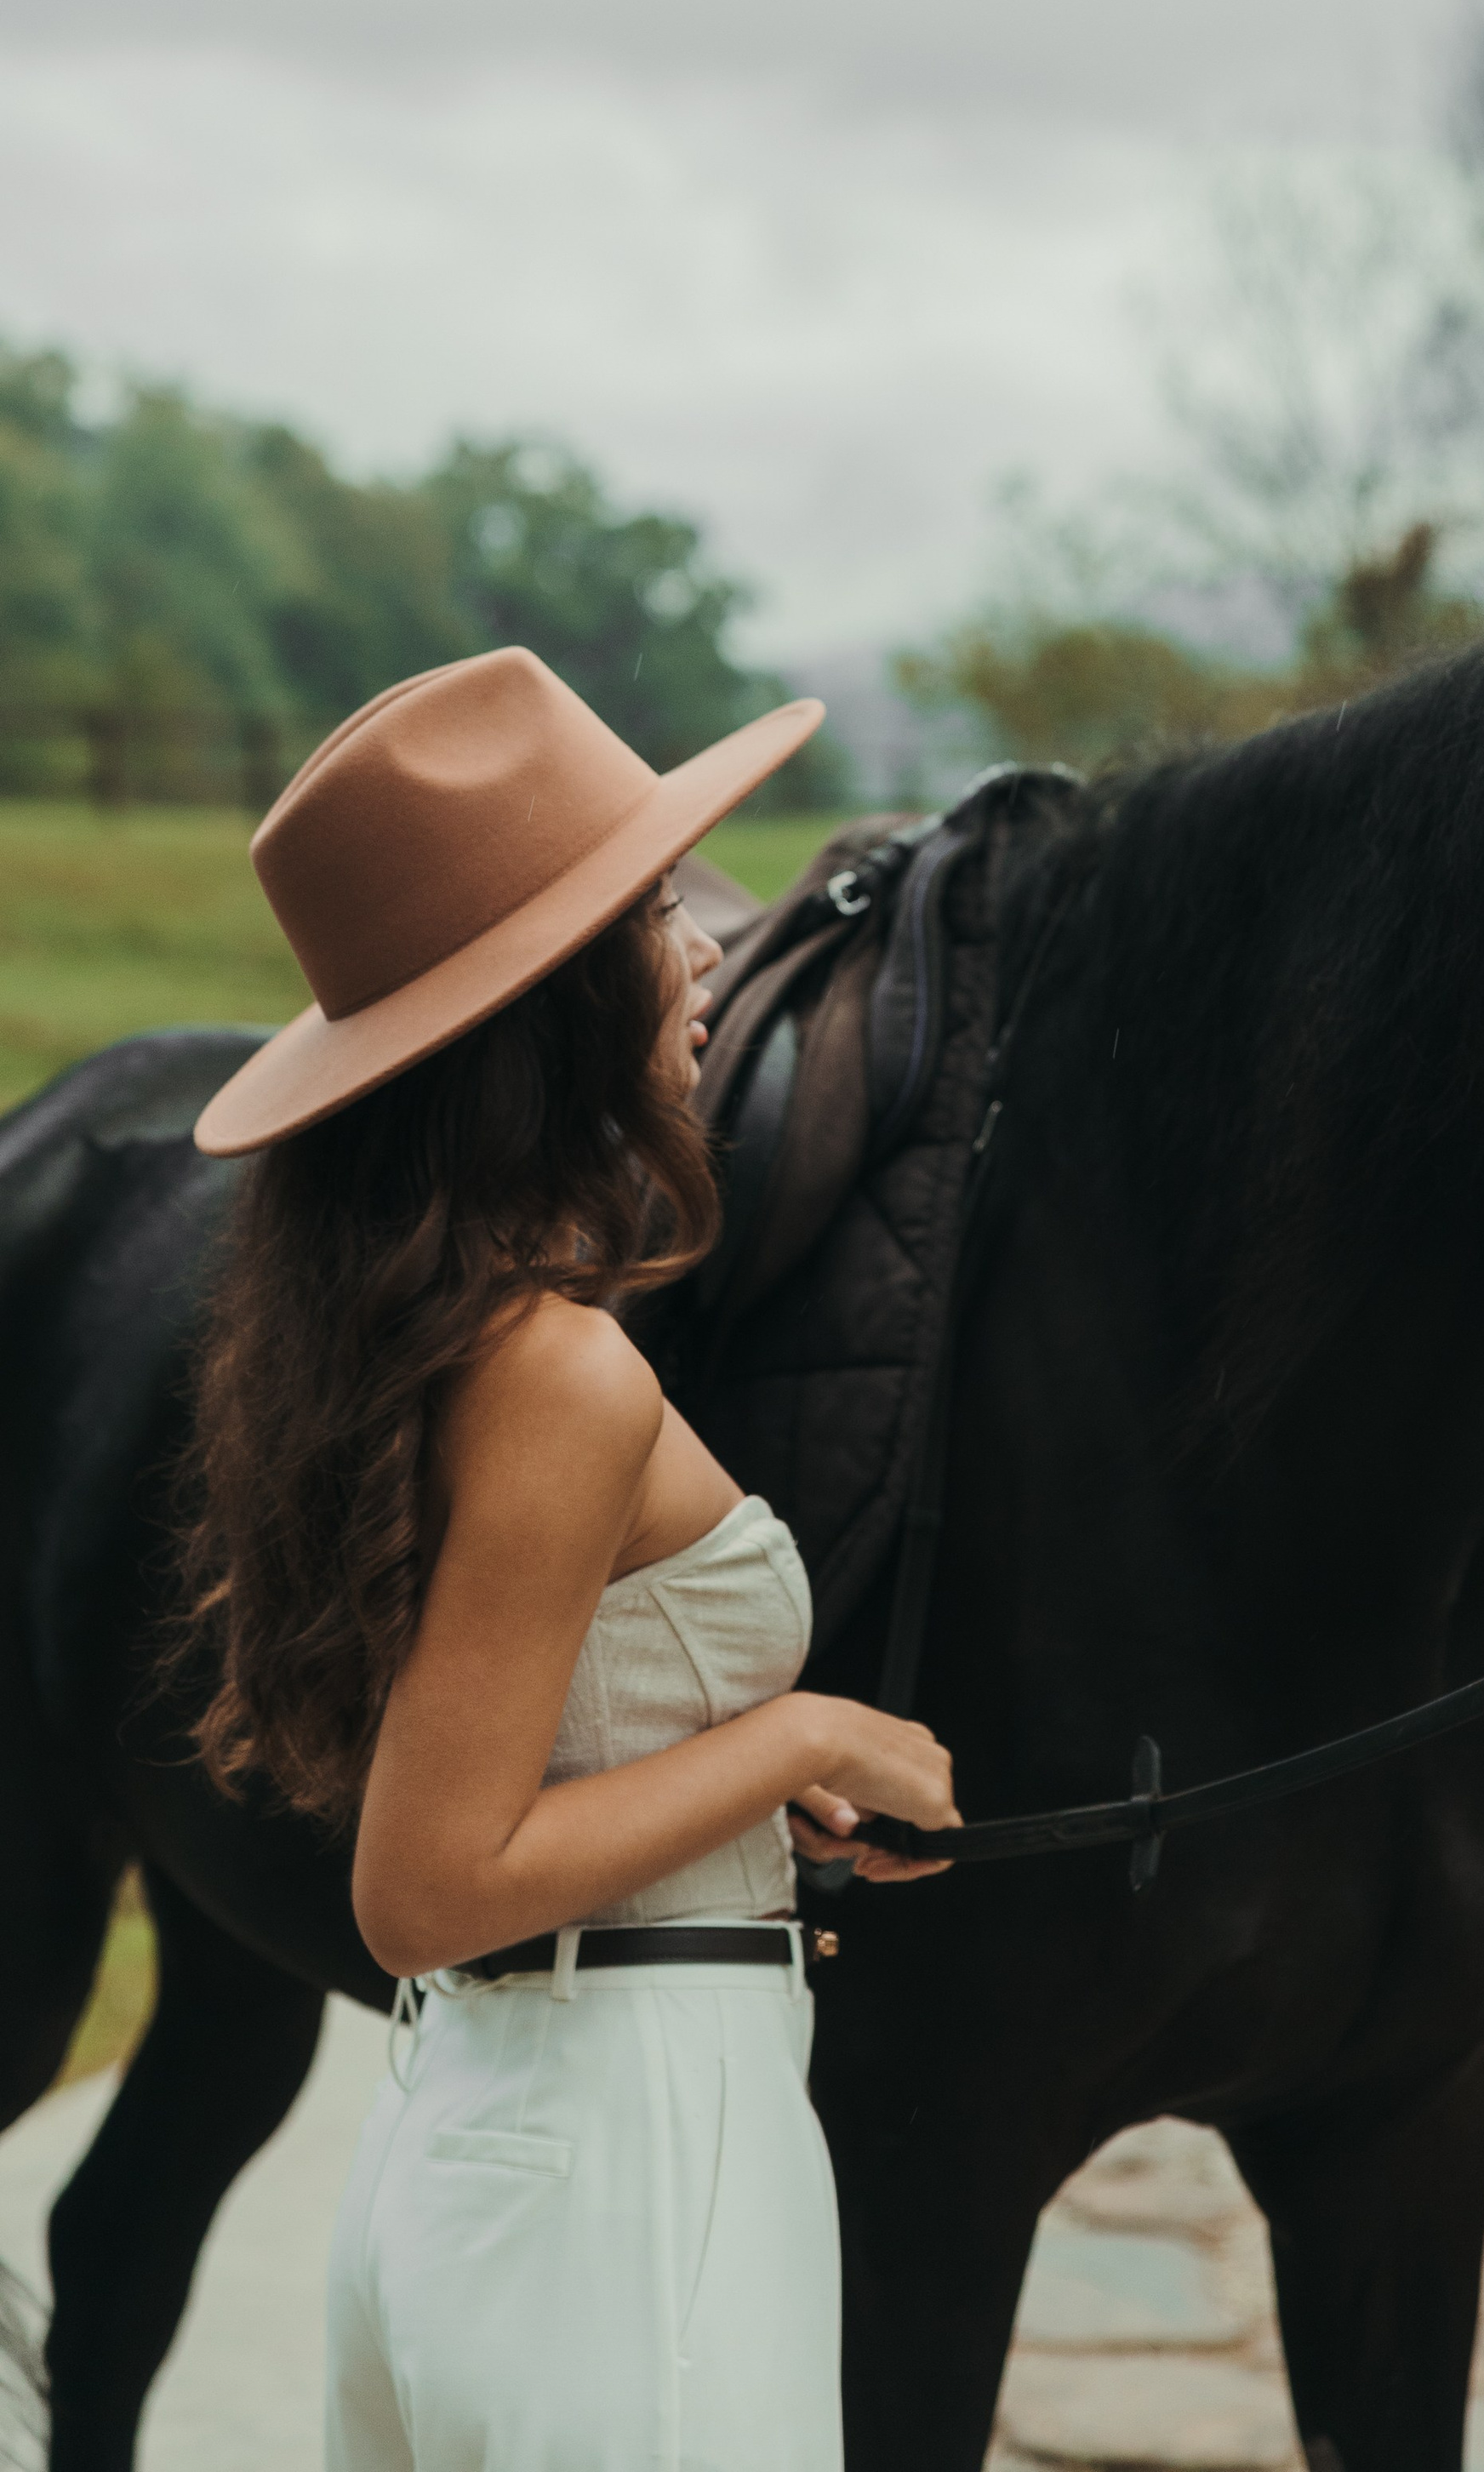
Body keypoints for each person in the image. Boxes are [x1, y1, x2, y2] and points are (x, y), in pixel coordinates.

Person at [180, 647, 958, 2472]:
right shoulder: (559, 1371)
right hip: (628, 2170)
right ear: (553, 1002)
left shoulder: (432, 1335)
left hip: (495, 2141)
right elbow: (426, 1886)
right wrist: (803, 1736)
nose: (708, 956)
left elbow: (542, 1729)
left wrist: (731, 1788)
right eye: (656, 914)